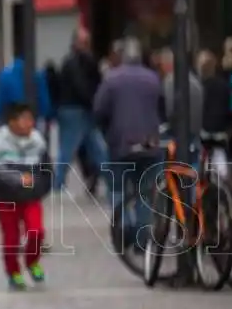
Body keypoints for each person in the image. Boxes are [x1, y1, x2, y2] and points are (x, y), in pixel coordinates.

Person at [93, 37, 163, 209]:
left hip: (120, 143)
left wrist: (107, 132)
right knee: (145, 190)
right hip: (149, 142)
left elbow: (99, 110)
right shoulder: (153, 78)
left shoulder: (111, 79)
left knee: (118, 187)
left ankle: (121, 227)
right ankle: (142, 230)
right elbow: (163, 109)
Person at [0, 103, 48, 291]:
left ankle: (32, 261)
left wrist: (39, 186)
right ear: (12, 122)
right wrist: (19, 179)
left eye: (30, 119)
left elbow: (46, 169)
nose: (29, 124)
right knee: (11, 238)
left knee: (36, 231)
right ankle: (13, 272)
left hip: (31, 197)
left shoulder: (38, 142)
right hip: (7, 197)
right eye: (24, 119)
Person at [53, 27, 109, 195]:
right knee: (73, 148)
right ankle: (58, 184)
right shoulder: (75, 62)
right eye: (84, 41)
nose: (86, 45)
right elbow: (81, 86)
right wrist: (94, 101)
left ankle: (111, 179)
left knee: (95, 148)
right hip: (76, 109)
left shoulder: (75, 61)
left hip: (76, 109)